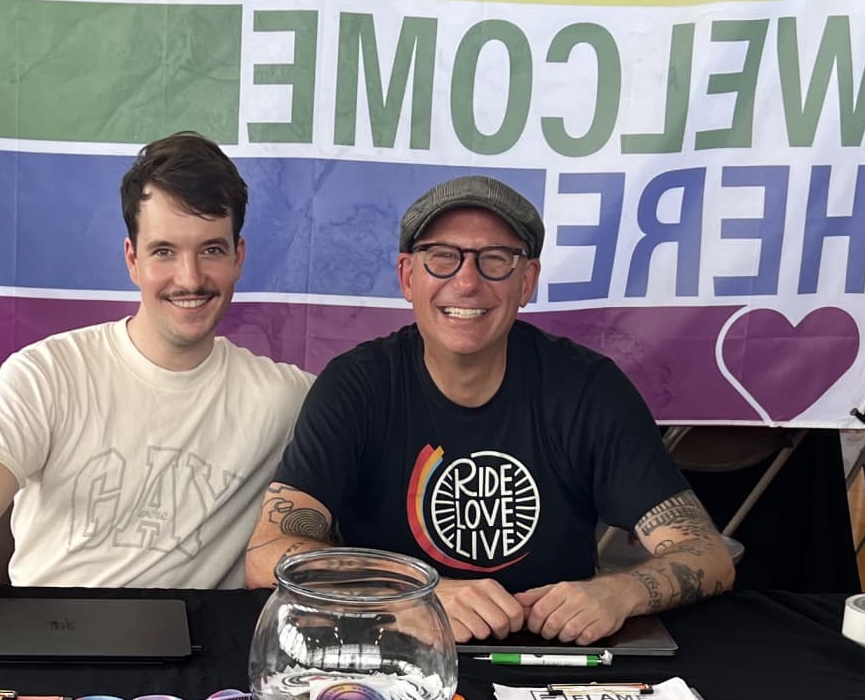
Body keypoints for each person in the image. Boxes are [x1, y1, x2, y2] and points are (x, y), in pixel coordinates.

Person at [0, 133, 310, 671]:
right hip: (41, 656)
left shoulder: (285, 398)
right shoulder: (45, 373)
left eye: (211, 250)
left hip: (188, 672)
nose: (189, 278)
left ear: (239, 257)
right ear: (132, 259)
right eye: (164, 251)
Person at [245, 175, 733, 643]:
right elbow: (268, 554)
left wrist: (621, 591)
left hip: (551, 655)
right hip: (390, 646)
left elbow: (707, 554)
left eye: (495, 260)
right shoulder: (358, 385)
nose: (466, 282)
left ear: (527, 281)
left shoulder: (589, 388)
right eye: (442, 257)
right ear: (408, 276)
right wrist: (417, 595)